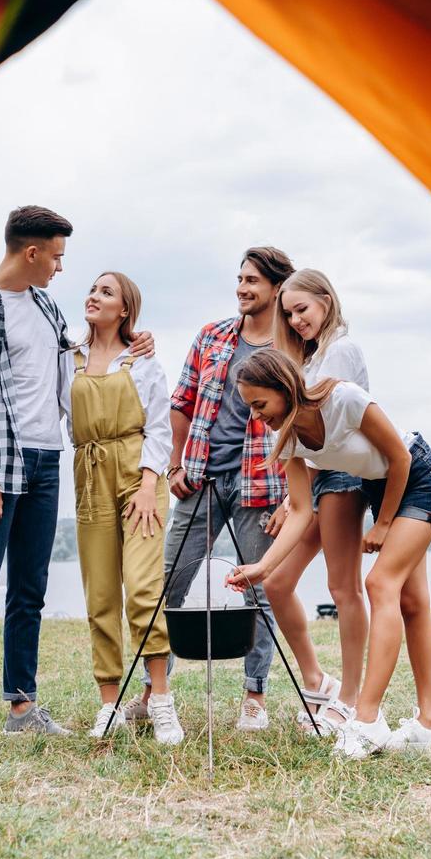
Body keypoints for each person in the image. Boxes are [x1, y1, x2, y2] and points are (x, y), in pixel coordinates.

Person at [0, 205, 152, 747]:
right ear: (31, 253)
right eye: (56, 257)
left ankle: (21, 705)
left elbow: (82, 362)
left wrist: (135, 345)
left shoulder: (48, 307)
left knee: (29, 590)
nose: (60, 268)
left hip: (48, 458)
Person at [226, 349, 431, 759]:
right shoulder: (290, 440)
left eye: (260, 404)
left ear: (285, 387)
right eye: (251, 408)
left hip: (422, 478)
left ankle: (367, 720)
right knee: (413, 603)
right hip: (383, 489)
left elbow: (400, 458)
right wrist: (262, 566)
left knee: (379, 583)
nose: (258, 417)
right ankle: (430, 725)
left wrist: (383, 524)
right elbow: (299, 511)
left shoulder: (344, 398)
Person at [125, 246, 295, 733]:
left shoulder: (291, 347)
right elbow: (182, 401)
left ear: (276, 289)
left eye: (253, 281)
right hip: (201, 477)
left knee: (257, 590)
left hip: (263, 483)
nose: (243, 288)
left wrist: (289, 498)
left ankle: (254, 697)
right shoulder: (212, 335)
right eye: (240, 279)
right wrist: (175, 461)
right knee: (169, 586)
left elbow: (302, 423)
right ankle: (153, 691)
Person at [68, 272, 183, 745]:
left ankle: (160, 699)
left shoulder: (143, 362)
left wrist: (147, 481)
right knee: (100, 595)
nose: (94, 296)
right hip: (89, 472)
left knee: (141, 587)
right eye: (93, 289)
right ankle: (109, 705)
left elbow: (160, 426)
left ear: (125, 311)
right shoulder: (68, 355)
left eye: (106, 292)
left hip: (140, 475)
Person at [261, 269, 370, 736]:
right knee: (277, 582)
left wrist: (291, 500)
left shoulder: (341, 349)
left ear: (327, 300)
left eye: (302, 309)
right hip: (318, 481)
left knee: (343, 589)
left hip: (344, 476)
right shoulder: (311, 357)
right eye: (288, 314)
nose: (295, 319)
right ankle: (317, 680)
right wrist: (293, 496)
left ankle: (350, 698)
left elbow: (331, 431)